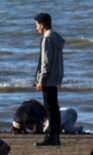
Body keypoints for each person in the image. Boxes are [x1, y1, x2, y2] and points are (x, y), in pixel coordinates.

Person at [33, 12, 64, 146]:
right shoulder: (56, 38)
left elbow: (46, 63)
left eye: (37, 25)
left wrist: (41, 80)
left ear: (43, 25)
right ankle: (55, 136)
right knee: (54, 107)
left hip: (48, 78)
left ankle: (51, 136)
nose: (36, 28)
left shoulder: (47, 40)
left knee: (50, 108)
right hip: (56, 76)